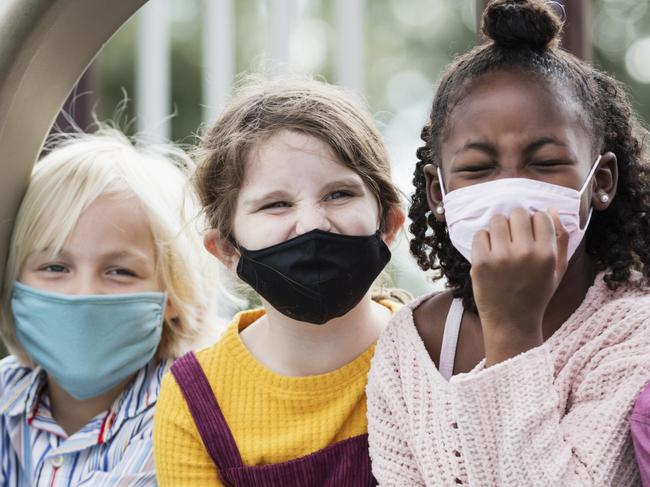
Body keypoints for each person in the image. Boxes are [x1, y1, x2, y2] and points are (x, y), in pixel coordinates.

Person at [365, 0, 650, 485]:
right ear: (438, 193)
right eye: (478, 168)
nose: (512, 191)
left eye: (544, 162)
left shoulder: (632, 333)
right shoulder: (411, 344)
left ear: (600, 180)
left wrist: (513, 329)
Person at [153, 78, 406, 486]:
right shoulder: (196, 399)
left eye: (339, 194)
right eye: (276, 204)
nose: (312, 224)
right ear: (227, 251)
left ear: (390, 223)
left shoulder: (439, 352)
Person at [0, 128, 224, 485]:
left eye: (120, 271)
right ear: (15, 281)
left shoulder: (194, 414)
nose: (83, 294)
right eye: (55, 268)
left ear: (173, 293)